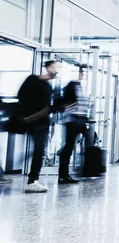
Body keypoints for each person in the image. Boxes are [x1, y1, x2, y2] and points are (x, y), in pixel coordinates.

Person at [18, 60, 61, 192]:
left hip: (34, 120)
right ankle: (32, 181)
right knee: (39, 151)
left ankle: (32, 179)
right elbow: (22, 97)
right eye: (55, 67)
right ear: (48, 68)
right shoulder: (35, 81)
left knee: (38, 151)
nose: (57, 70)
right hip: (36, 121)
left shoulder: (48, 86)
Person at [57, 66, 90, 184]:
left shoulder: (80, 86)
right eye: (81, 72)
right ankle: (63, 175)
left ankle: (89, 169)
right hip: (73, 120)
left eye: (83, 72)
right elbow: (66, 104)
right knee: (68, 147)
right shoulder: (71, 86)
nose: (82, 74)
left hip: (80, 120)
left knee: (89, 142)